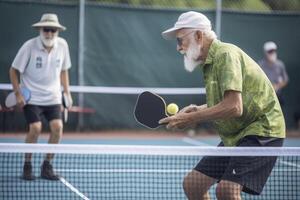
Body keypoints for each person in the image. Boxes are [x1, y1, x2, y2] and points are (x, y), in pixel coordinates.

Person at [160, 11, 285, 199]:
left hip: (262, 130)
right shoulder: (209, 63)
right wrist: (198, 109)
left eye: (180, 41)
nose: (179, 48)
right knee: (192, 185)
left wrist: (191, 118)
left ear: (198, 36)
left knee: (226, 190)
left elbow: (235, 107)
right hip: (236, 135)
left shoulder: (225, 55)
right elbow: (228, 101)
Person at [9, 13, 72, 181]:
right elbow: (13, 70)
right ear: (40, 30)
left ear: (57, 31)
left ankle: (47, 166)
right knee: (35, 128)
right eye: (46, 30)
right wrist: (18, 93)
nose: (49, 33)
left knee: (57, 128)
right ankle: (27, 165)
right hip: (32, 98)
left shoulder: (63, 45)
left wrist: (67, 92)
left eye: (53, 30)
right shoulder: (29, 46)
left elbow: (64, 70)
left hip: (53, 97)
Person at [258, 41, 289, 105]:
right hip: (264, 97)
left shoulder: (280, 65)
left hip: (278, 97)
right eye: (270, 51)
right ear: (265, 53)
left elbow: (285, 80)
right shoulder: (260, 65)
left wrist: (277, 86)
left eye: (273, 51)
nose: (272, 53)